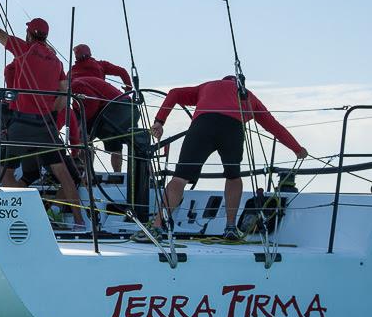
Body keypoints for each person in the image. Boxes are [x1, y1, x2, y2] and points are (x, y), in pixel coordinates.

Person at [136, 76, 308, 242]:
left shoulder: (208, 86)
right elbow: (274, 126)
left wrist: (159, 121)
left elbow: (173, 93)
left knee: (179, 178)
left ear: (223, 80)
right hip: (232, 129)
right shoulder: (246, 94)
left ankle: (157, 226)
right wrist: (297, 149)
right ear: (237, 82)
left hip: (202, 125)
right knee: (233, 176)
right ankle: (231, 228)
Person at [0, 0, 85, 226]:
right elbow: (62, 98)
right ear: (45, 37)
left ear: (29, 34)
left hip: (20, 125)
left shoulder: (23, 49)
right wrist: (48, 107)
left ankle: (21, 216)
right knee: (65, 176)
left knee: (7, 174)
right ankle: (80, 223)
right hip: (45, 126)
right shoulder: (57, 62)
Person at [71, 76, 131, 172]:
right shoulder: (81, 83)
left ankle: (86, 174)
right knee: (126, 141)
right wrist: (129, 86)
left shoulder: (75, 85)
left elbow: (93, 103)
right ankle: (117, 175)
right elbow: (121, 71)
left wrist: (82, 126)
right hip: (127, 105)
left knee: (85, 137)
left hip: (117, 106)